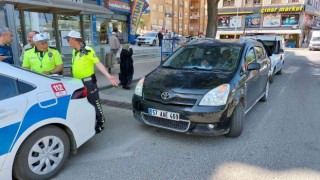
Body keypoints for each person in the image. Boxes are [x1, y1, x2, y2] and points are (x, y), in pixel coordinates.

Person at [64, 30, 119, 133]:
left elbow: (98, 63)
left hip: (88, 83)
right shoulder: (74, 51)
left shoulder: (88, 50)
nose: (67, 42)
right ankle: (87, 121)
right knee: (82, 103)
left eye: (68, 40)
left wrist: (108, 76)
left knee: (95, 102)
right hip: (77, 83)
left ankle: (100, 122)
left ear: (74, 40)